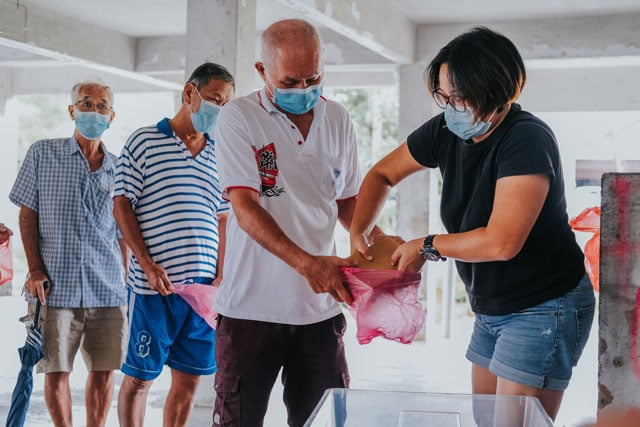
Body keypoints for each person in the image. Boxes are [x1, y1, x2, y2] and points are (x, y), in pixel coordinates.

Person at [349, 27, 595, 421]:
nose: (450, 107)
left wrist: (426, 244)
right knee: (485, 417)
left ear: (496, 92)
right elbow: (381, 175)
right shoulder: (445, 130)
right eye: (443, 96)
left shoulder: (526, 139)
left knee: (512, 421)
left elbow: (502, 243)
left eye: (459, 97)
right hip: (492, 307)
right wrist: (359, 230)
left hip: (545, 305)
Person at [212, 18, 381, 427]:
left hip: (319, 312)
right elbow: (245, 207)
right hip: (251, 310)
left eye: (314, 77)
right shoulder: (239, 118)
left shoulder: (338, 119)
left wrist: (377, 241)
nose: (304, 89)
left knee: (323, 420)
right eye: (291, 81)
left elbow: (347, 202)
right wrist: (309, 264)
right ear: (262, 71)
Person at [113, 62, 234, 427]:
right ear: (189, 93)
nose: (218, 110)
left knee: (190, 378)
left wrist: (222, 274)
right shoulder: (143, 141)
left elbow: (223, 217)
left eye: (225, 104)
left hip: (201, 294)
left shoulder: (220, 153)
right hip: (154, 290)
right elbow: (121, 204)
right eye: (214, 99)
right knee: (139, 378)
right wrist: (146, 263)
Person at [9, 78, 127, 427]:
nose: (94, 110)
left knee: (105, 372)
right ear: (72, 110)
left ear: (112, 115)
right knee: (55, 370)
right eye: (86, 103)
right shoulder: (43, 153)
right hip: (54, 288)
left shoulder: (119, 167)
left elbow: (122, 233)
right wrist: (33, 269)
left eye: (102, 105)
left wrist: (131, 282)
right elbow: (27, 213)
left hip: (107, 289)